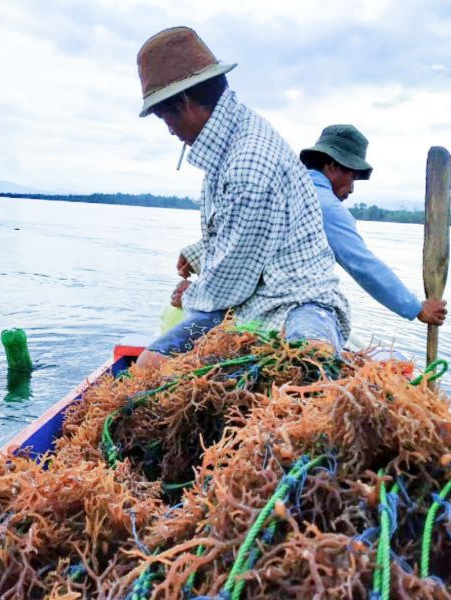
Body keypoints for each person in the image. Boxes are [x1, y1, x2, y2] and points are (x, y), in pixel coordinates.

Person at [135, 27, 350, 369]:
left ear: (186, 103)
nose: (169, 130)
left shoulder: (247, 162)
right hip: (247, 302)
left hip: (296, 302)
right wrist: (198, 253)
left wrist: (189, 295)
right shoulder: (228, 145)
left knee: (309, 364)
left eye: (165, 118)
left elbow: (227, 287)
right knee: (148, 367)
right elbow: (237, 237)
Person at [299, 125, 447, 326]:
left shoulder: (291, 189)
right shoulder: (324, 205)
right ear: (333, 166)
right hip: (293, 306)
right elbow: (363, 264)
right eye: (352, 177)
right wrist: (417, 308)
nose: (351, 189)